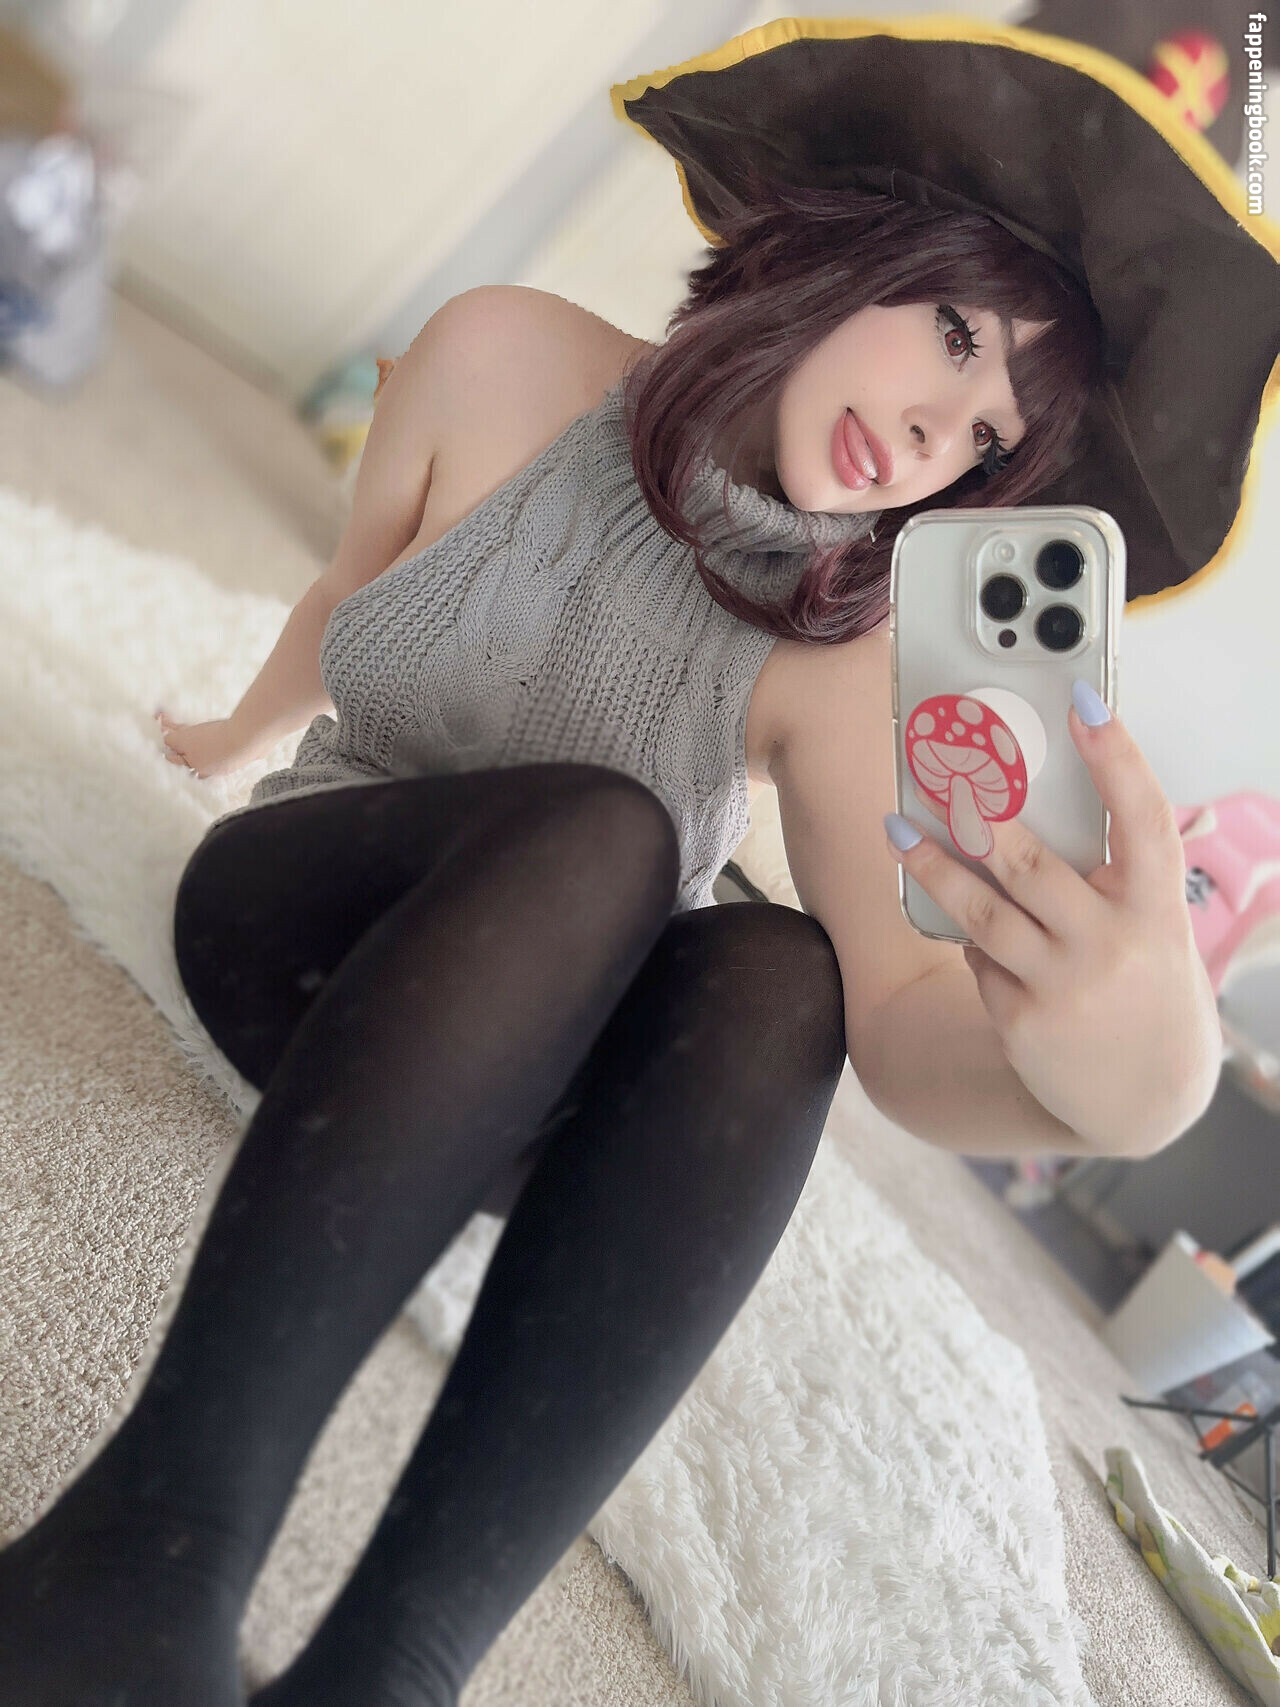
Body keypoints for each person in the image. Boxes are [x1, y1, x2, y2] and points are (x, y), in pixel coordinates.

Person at [1, 15, 1273, 1706]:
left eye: (987, 438)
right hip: (297, 936)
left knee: (779, 966)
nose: (933, 433)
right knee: (606, 830)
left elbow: (899, 1024)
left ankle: (387, 1674)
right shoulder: (501, 355)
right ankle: (137, 1552)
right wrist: (229, 734)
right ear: (851, 241)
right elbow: (355, 594)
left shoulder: (839, 659)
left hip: (512, 1111)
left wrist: (1135, 1085)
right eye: (956, 333)